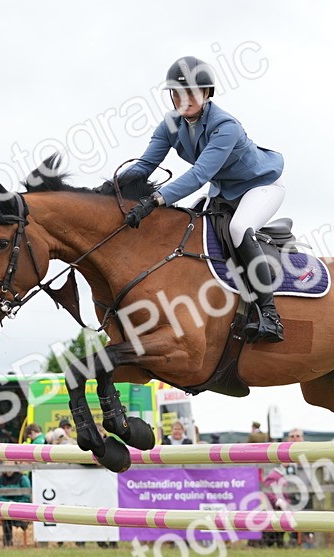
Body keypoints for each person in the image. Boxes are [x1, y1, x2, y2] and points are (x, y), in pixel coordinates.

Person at [120, 56, 286, 343]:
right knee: (188, 225)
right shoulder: (171, 125)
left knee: (238, 229)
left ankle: (270, 315)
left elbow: (199, 175)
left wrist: (156, 199)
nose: (184, 99)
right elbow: (145, 166)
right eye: (177, 93)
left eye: (192, 92)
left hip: (261, 187)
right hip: (222, 191)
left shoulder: (225, 126)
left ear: (207, 93)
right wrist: (110, 188)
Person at [0, 464, 31, 546]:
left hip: (20, 509)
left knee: (8, 516)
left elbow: (27, 497)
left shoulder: (23, 479)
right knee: (5, 517)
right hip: (6, 509)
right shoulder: (1, 479)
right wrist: (8, 502)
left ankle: (10, 541)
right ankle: (7, 543)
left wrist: (15, 504)